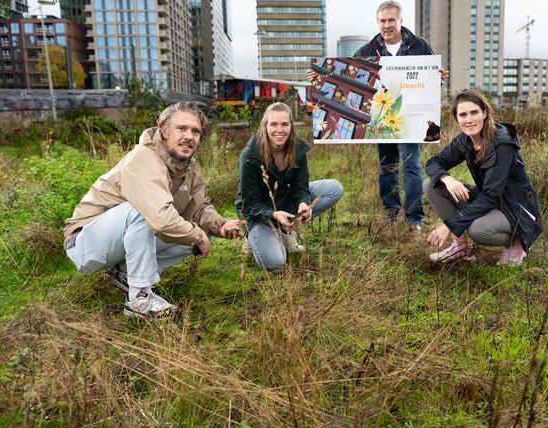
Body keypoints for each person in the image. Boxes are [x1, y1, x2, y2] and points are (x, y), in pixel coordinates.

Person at [63, 102, 245, 318]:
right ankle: (139, 299)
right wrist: (196, 236)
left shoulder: (189, 166)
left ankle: (126, 276)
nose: (189, 136)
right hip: (86, 242)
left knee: (205, 232)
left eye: (195, 131)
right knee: (145, 212)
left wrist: (220, 224)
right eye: (182, 128)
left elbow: (199, 207)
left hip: (119, 238)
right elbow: (159, 218)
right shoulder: (143, 158)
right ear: (164, 129)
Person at [353, 0, 448, 232]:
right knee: (387, 166)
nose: (387, 25)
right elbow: (353, 75)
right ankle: (391, 212)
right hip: (383, 117)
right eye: (383, 21)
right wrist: (319, 77)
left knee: (412, 165)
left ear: (400, 20)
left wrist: (439, 78)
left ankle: (414, 218)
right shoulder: (367, 51)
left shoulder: (420, 45)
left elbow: (432, 79)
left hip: (413, 118)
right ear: (378, 22)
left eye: (391, 20)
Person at [424, 90, 542, 265]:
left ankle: (517, 242)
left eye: (474, 112)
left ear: (485, 113)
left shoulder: (502, 143)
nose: (469, 119)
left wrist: (448, 226)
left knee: (478, 230)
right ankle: (461, 248)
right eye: (463, 115)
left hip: (516, 209)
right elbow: (434, 162)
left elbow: (491, 195)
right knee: (431, 185)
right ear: (457, 119)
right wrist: (447, 179)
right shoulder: (465, 141)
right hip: (491, 201)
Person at [236, 102, 343, 269]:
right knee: (275, 262)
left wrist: (302, 203)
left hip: (285, 200)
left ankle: (286, 230)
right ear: (265, 126)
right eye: (274, 124)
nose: (280, 130)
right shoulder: (250, 155)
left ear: (291, 126)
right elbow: (249, 204)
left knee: (334, 188)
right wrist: (274, 215)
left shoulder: (297, 149)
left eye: (285, 124)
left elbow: (300, 187)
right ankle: (254, 238)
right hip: (258, 213)